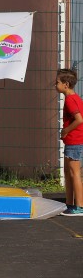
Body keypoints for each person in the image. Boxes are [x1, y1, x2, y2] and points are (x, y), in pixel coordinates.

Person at [55, 67, 83, 216]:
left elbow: (79, 120)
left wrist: (66, 130)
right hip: (71, 141)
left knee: (74, 173)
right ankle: (71, 204)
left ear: (65, 84)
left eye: (57, 82)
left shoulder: (71, 100)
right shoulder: (73, 98)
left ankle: (79, 206)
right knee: (68, 172)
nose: (55, 85)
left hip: (74, 141)